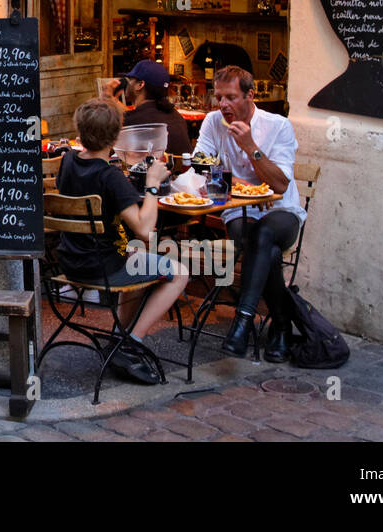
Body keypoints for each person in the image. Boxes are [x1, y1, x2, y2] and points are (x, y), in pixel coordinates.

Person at [54, 98, 189, 385]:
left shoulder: (67, 162)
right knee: (179, 273)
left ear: (79, 131)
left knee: (134, 256)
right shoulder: (110, 176)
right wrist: (152, 184)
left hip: (69, 261)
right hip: (102, 268)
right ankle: (132, 342)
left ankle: (119, 340)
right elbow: (144, 229)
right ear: (117, 137)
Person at [192, 65, 301, 362]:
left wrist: (250, 146)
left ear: (250, 95)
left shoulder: (278, 126)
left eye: (230, 97)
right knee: (265, 248)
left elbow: (280, 185)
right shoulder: (213, 122)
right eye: (219, 97)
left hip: (281, 211)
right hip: (238, 211)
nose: (223, 104)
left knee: (263, 234)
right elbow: (200, 166)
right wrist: (246, 186)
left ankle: (242, 322)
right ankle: (281, 326)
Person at [121, 60, 192, 158]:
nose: (127, 84)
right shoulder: (176, 116)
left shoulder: (132, 121)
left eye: (129, 80)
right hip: (182, 167)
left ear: (140, 85)